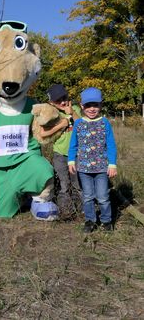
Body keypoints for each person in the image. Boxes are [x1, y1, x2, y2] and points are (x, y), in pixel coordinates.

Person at [68, 87, 117, 233]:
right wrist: (71, 161)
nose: (92, 109)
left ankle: (106, 221)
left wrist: (112, 164)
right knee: (88, 196)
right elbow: (73, 145)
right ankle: (90, 220)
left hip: (102, 168)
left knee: (103, 197)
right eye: (88, 105)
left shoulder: (105, 123)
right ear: (82, 106)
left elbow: (111, 145)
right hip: (83, 168)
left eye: (95, 105)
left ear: (100, 105)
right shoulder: (78, 124)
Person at [41, 84, 82, 219]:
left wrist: (72, 113)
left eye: (64, 98)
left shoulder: (75, 108)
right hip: (60, 154)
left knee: (77, 183)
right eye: (58, 101)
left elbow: (83, 126)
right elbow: (43, 133)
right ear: (51, 102)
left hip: (76, 153)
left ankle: (81, 210)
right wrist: (61, 124)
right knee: (64, 184)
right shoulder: (52, 114)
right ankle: (66, 211)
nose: (63, 102)